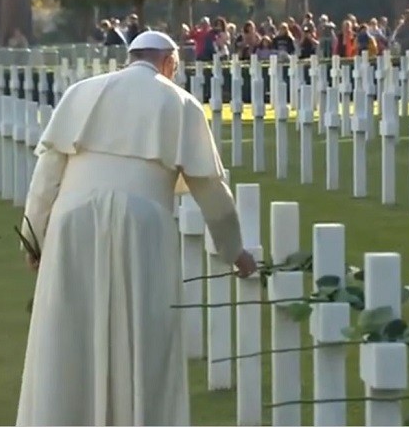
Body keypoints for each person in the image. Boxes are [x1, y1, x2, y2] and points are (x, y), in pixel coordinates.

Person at [15, 30, 258, 426]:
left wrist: (35, 240)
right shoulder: (179, 102)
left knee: (68, 333)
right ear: (169, 63)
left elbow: (45, 180)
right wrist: (235, 251)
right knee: (144, 335)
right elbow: (212, 190)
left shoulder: (83, 93)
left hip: (71, 220)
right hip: (143, 223)